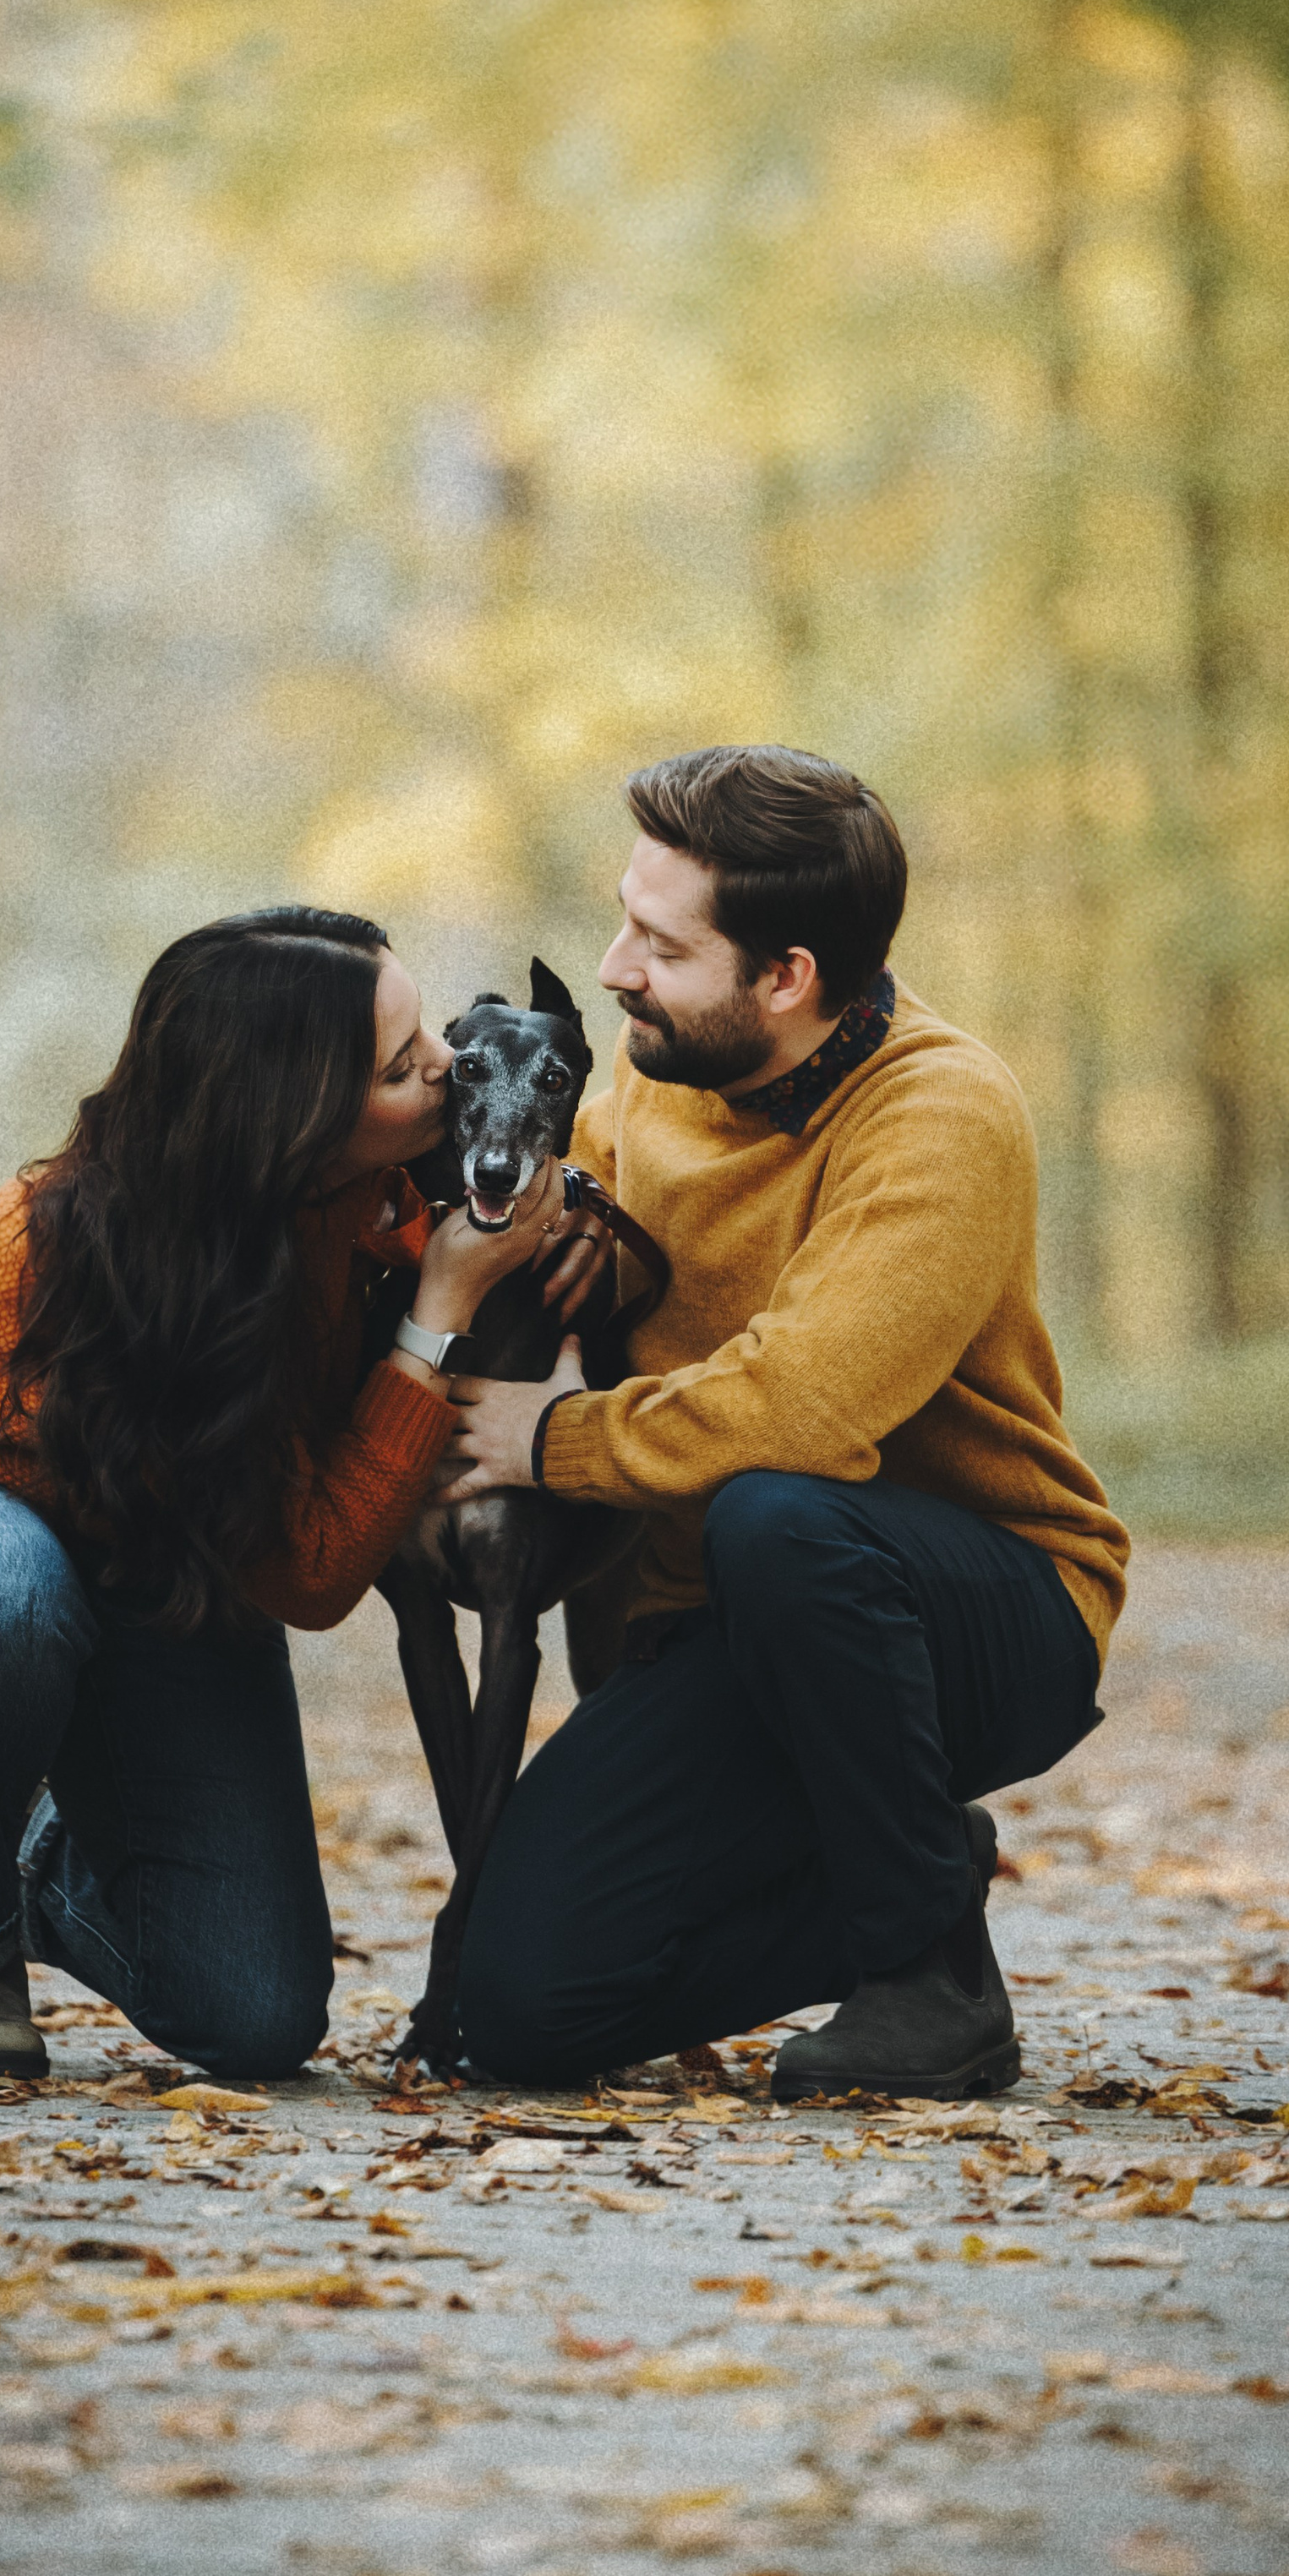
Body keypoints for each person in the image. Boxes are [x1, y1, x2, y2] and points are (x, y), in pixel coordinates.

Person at [0, 908, 574, 2082]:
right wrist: (436, 1315)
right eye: (407, 1065)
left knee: (257, 2015)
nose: (449, 1068)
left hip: (150, 1567)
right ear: (298, 1123)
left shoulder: (365, 1194)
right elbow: (310, 1574)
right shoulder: (117, 1254)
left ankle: (34, 1860)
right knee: (4, 1590)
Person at [445, 745, 1131, 2098]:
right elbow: (547, 1214)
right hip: (737, 1628)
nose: (612, 966)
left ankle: (930, 1984)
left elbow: (804, 1409)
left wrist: (550, 1440)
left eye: (658, 941)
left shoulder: (941, 1113)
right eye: (624, 919)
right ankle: (900, 1863)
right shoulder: (654, 1066)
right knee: (516, 2008)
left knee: (781, 1507)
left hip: (977, 1608)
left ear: (788, 978)